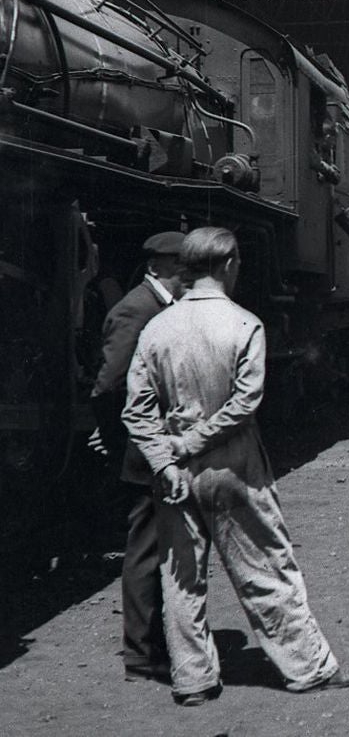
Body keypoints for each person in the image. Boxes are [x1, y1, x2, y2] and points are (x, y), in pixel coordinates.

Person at [122, 227, 349, 705]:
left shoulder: (157, 328)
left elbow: (136, 410)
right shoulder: (244, 323)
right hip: (233, 465)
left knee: (181, 578)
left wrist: (166, 459)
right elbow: (243, 404)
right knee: (268, 566)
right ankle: (307, 668)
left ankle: (192, 679)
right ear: (229, 264)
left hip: (172, 469)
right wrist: (194, 442)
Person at [89, 230, 186, 683]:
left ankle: (154, 644)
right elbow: (109, 386)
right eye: (182, 267)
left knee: (159, 548)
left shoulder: (162, 307)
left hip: (155, 447)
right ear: (160, 268)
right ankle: (141, 654)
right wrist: (111, 439)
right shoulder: (136, 309)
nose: (189, 275)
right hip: (142, 450)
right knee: (146, 550)